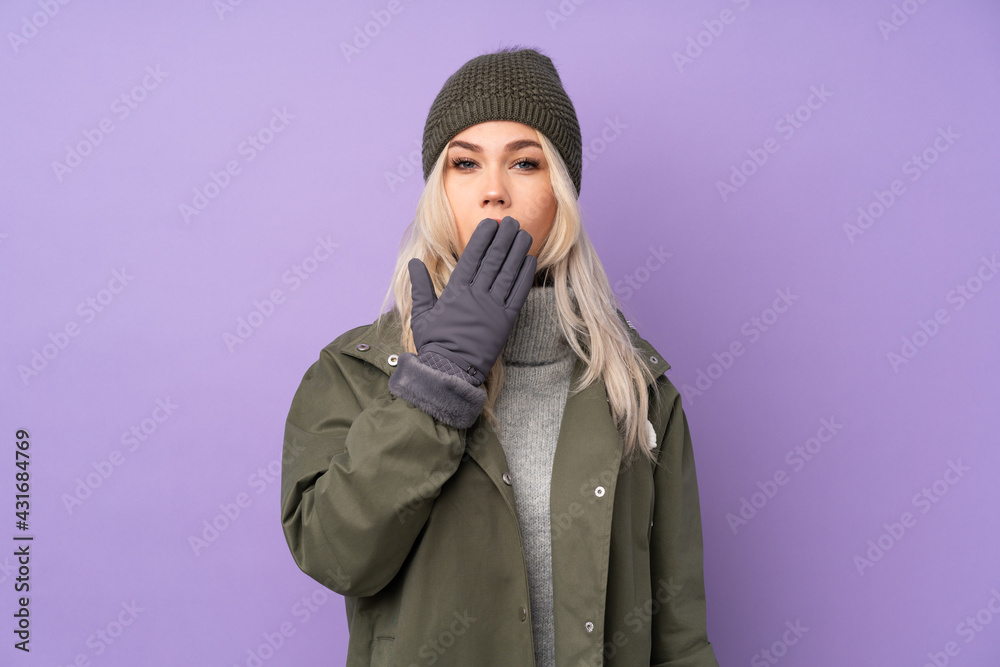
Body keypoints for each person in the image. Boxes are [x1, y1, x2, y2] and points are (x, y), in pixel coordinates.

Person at [280, 45, 720, 666]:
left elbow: (679, 637)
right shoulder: (354, 373)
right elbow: (334, 553)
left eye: (525, 162)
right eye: (465, 163)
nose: (493, 191)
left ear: (561, 190)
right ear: (438, 189)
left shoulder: (639, 390)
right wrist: (434, 387)